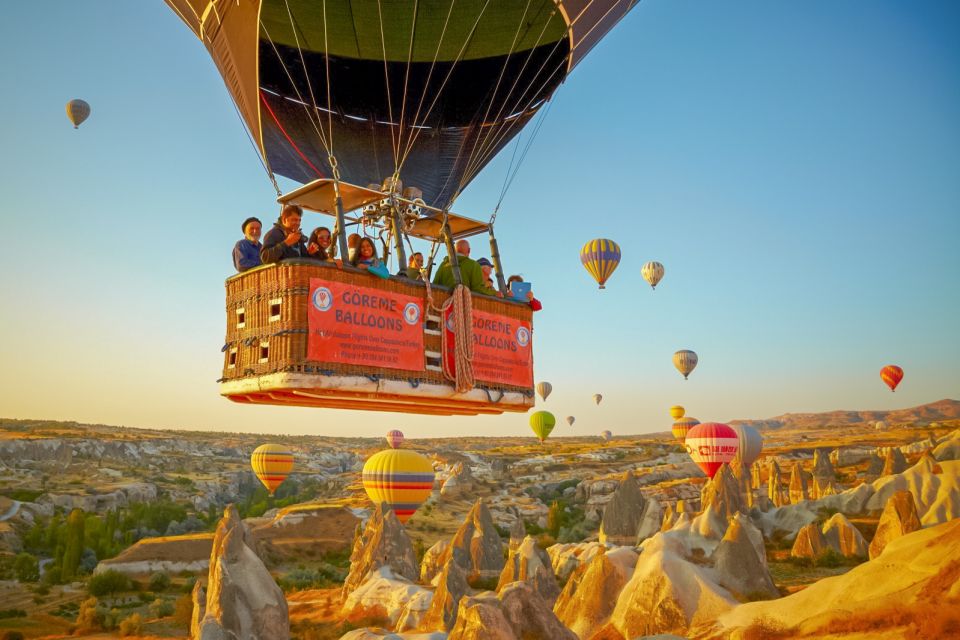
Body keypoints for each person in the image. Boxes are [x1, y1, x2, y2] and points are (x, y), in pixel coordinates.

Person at [432, 240, 500, 296]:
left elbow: (434, 285)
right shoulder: (473, 265)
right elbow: (478, 289)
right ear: (469, 250)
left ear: (455, 251)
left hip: (443, 306)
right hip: (463, 307)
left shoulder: (443, 265)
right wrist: (495, 293)